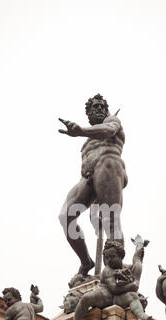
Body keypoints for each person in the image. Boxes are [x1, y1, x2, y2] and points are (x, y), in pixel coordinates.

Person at [58, 94, 128, 277]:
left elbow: (108, 130)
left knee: (110, 219)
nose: (98, 109)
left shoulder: (113, 121)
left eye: (101, 106)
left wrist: (81, 130)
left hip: (109, 166)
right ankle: (86, 262)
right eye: (94, 107)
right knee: (66, 217)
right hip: (88, 178)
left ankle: (114, 266)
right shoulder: (87, 142)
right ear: (88, 113)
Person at [66, 236, 153, 320]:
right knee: (86, 297)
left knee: (133, 296)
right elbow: (114, 289)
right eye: (107, 258)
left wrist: (139, 246)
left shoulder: (129, 268)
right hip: (104, 296)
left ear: (121, 256)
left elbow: (137, 259)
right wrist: (131, 286)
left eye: (112, 256)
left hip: (117, 298)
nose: (109, 260)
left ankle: (141, 315)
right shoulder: (107, 270)